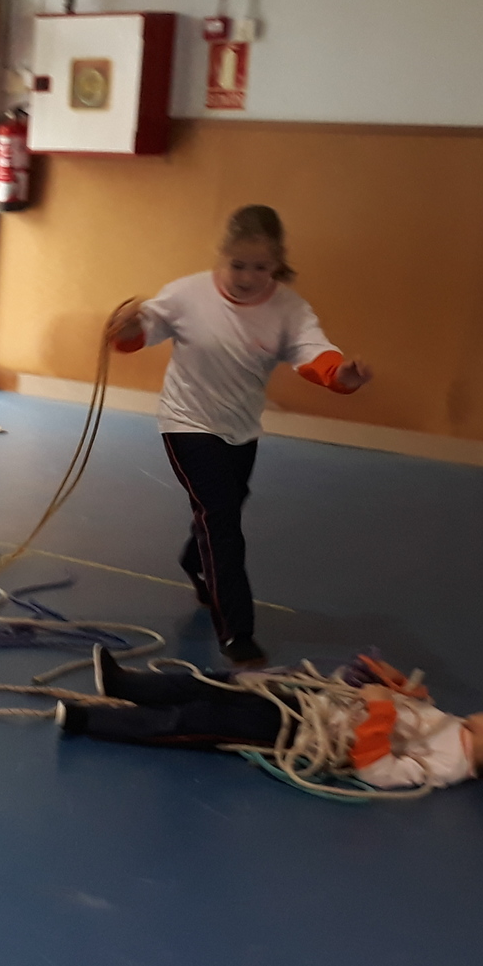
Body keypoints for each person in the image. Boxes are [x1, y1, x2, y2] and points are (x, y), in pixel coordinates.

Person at [111, 205, 372, 669]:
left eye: (261, 267)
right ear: (221, 255)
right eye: (238, 265)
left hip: (240, 429)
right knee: (222, 519)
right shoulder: (186, 294)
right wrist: (127, 327)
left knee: (225, 506)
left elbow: (314, 354)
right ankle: (237, 631)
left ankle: (194, 560)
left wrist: (341, 375)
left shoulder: (289, 309)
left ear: (278, 264)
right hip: (186, 422)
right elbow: (135, 336)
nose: (248, 277)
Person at [57, 647, 483, 793]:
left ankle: (89, 722)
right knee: (219, 684)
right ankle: (127, 685)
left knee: (200, 720)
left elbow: (379, 769)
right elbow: (408, 720)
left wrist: (379, 708)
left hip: (298, 733)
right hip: (313, 707)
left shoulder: (446, 767)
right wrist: (398, 691)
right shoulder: (454, 729)